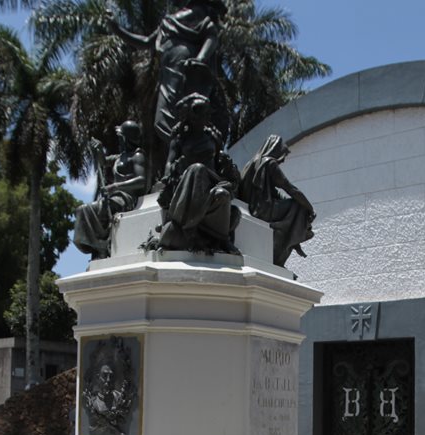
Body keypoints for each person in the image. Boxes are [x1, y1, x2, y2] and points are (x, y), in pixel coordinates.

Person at [108, 0, 227, 170]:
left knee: (189, 115)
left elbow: (211, 36)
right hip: (168, 73)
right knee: (163, 121)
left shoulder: (198, 12)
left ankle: (193, 159)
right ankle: (180, 162)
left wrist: (199, 59)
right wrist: (116, 29)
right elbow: (146, 42)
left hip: (186, 70)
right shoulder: (170, 19)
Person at [155, 93, 241, 254]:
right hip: (186, 183)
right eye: (200, 113)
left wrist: (228, 167)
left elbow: (220, 161)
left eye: (207, 113)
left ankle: (223, 240)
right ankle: (189, 227)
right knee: (197, 169)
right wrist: (170, 172)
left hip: (211, 181)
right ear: (190, 116)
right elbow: (169, 163)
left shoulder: (213, 137)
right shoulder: (180, 139)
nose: (205, 117)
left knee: (222, 192)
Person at [73, 121, 149, 259]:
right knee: (82, 210)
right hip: (114, 197)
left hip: (127, 198)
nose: (119, 140)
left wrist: (115, 186)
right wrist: (99, 149)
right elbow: (103, 161)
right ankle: (97, 245)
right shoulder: (119, 157)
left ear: (127, 138)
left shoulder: (137, 156)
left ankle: (100, 245)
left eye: (121, 137)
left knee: (91, 209)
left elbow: (141, 180)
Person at [238, 135, 315, 267]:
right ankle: (291, 244)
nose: (283, 160)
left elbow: (272, 191)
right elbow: (290, 188)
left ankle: (295, 239)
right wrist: (309, 208)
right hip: (263, 210)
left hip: (253, 207)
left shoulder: (251, 163)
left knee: (293, 210)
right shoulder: (269, 163)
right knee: (299, 207)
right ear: (275, 149)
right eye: (283, 154)